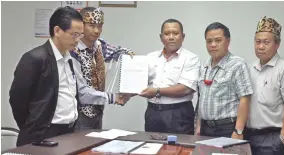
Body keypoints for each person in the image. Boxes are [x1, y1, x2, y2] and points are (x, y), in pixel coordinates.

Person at [9, 6, 125, 147]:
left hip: (68, 132)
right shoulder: (35, 58)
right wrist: (31, 128)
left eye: (80, 35)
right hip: (42, 134)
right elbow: (17, 99)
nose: (78, 40)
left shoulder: (69, 58)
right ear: (57, 31)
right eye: (74, 34)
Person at [245, 16, 284, 155]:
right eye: (257, 42)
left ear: (277, 44)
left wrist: (283, 137)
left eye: (266, 42)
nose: (260, 46)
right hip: (249, 136)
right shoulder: (250, 68)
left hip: (273, 137)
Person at [71, 7, 134, 130]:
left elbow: (118, 52)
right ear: (81, 25)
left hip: (98, 112)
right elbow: (81, 93)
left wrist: (134, 61)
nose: (96, 30)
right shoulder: (73, 51)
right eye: (91, 25)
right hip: (79, 115)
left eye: (100, 26)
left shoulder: (100, 45)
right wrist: (113, 97)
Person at [138, 19, 200, 135]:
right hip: (153, 113)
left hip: (178, 114)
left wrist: (156, 91)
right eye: (167, 34)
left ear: (183, 36)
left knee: (180, 150)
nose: (171, 37)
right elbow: (138, 81)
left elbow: (186, 88)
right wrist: (125, 94)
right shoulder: (150, 57)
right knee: (151, 148)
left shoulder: (191, 59)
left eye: (175, 33)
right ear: (161, 37)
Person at [195, 22, 253, 139]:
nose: (213, 44)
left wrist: (239, 131)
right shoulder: (205, 65)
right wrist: (198, 126)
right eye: (209, 41)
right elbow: (201, 99)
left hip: (227, 128)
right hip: (205, 128)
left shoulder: (237, 64)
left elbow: (245, 99)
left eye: (218, 40)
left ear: (228, 41)